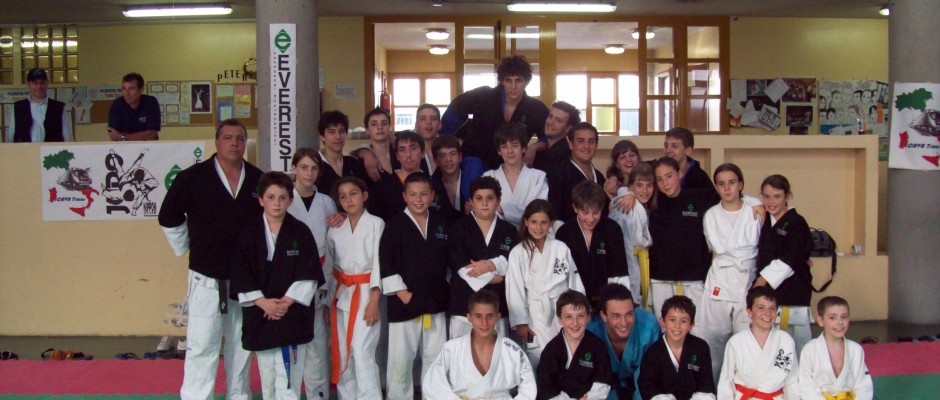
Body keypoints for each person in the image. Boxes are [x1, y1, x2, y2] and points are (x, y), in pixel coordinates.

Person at [158, 119, 262, 400]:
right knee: (202, 343)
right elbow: (168, 215)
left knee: (241, 344)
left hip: (245, 276)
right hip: (206, 274)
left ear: (245, 143)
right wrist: (187, 246)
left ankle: (238, 395)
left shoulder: (257, 179)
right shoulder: (193, 177)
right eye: (228, 138)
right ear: (216, 142)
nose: (234, 143)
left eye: (240, 138)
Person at [232, 171, 323, 400]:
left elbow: (309, 270)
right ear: (261, 200)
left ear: (290, 200)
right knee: (268, 376)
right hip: (261, 312)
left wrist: (285, 303)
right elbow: (241, 272)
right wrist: (263, 303)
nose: (276, 203)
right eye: (271, 197)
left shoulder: (300, 231)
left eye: (282, 198)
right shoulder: (248, 233)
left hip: (292, 313)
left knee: (289, 378)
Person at [380, 173, 450, 400]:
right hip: (405, 301)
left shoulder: (440, 223)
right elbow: (386, 261)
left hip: (434, 300)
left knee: (435, 357)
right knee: (401, 360)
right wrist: (403, 294)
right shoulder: (394, 224)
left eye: (423, 194)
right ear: (404, 196)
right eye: (412, 194)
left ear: (432, 195)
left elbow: (448, 259)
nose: (418, 199)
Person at [442, 55, 550, 200]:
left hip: (510, 162)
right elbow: (454, 111)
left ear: (526, 81)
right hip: (477, 157)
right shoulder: (483, 96)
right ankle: (470, 209)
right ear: (502, 80)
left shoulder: (536, 108)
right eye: (508, 80)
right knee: (473, 177)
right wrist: (445, 140)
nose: (513, 86)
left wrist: (535, 147)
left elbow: (549, 136)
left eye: (518, 80)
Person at [698, 163, 762, 381]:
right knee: (714, 339)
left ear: (741, 184)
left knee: (746, 339)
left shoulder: (755, 212)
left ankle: (745, 387)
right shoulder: (711, 215)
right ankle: (712, 386)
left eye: (732, 182)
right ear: (716, 187)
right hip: (720, 279)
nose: (726, 188)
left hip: (746, 279)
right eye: (721, 184)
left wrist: (754, 202)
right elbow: (715, 247)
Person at [506, 199, 586, 368]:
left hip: (562, 309)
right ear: (526, 222)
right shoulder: (517, 253)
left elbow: (573, 280)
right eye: (534, 222)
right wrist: (521, 323)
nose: (538, 227)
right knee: (536, 354)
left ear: (550, 223)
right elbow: (515, 290)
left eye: (543, 222)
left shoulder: (560, 248)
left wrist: (579, 311)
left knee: (566, 352)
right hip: (534, 314)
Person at [286, 149, 338, 400]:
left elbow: (332, 245)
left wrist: (327, 287)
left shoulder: (327, 202)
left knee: (318, 347)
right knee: (289, 347)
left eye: (314, 168)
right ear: (294, 168)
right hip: (288, 281)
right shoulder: (284, 199)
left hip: (319, 280)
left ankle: (318, 395)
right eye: (304, 167)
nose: (309, 173)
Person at [327, 177, 384, 399]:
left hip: (366, 294)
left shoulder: (376, 224)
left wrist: (374, 300)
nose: (348, 200)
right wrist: (328, 302)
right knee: (343, 352)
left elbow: (379, 263)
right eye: (343, 197)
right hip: (341, 294)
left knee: (362, 351)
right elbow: (331, 268)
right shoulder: (335, 229)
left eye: (353, 194)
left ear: (364, 195)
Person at [422, 289, 537, 399]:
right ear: (469, 318)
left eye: (490, 316)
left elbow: (529, 387)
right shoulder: (452, 348)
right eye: (478, 316)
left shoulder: (512, 350)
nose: (484, 323)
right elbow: (432, 384)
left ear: (497, 317)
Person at [447, 176, 519, 339]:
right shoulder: (459, 227)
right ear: (471, 201)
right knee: (461, 352)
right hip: (463, 305)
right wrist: (491, 277)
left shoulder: (509, 230)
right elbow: (458, 263)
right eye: (479, 198)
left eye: (490, 198)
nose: (485, 203)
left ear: (498, 200)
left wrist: (490, 264)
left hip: (498, 306)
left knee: (497, 352)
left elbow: (513, 263)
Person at [753, 174, 814, 354]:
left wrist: (762, 280)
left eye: (777, 196)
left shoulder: (796, 222)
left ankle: (804, 372)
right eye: (766, 196)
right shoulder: (765, 220)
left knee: (798, 345)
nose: (771, 202)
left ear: (788, 196)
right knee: (772, 345)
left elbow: (790, 257)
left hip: (794, 292)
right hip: (772, 293)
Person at [556, 181, 631, 313]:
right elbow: (561, 276)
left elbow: (619, 273)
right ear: (575, 208)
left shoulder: (612, 229)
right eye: (585, 212)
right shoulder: (564, 233)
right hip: (574, 304)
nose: (590, 218)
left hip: (607, 303)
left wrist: (616, 307)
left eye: (596, 212)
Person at [717, 286, 799, 400]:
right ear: (749, 312)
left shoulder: (786, 340)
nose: (767, 313)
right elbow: (726, 382)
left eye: (772, 308)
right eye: (761, 308)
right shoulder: (736, 342)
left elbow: (792, 381)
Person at [587, 284, 661, 400]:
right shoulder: (590, 330)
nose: (624, 323)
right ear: (604, 315)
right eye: (616, 316)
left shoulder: (649, 326)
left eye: (629, 314)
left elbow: (651, 374)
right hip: (603, 386)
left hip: (643, 384)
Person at [537, 290, 612, 400]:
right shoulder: (551, 350)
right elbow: (546, 387)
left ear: (588, 317)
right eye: (568, 317)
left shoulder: (598, 346)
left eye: (580, 316)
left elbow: (603, 380)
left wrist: (589, 398)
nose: (575, 323)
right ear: (560, 319)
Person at [637, 295, 716, 400]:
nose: (677, 326)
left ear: (691, 325)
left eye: (683, 321)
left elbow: (706, 386)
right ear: (663, 321)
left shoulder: (700, 348)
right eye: (672, 320)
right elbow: (648, 388)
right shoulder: (653, 353)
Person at [798, 296, 873, 400]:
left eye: (844, 317)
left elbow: (864, 385)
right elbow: (806, 385)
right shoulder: (810, 350)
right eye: (832, 318)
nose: (840, 322)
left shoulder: (856, 350)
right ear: (820, 320)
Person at [482, 122, 549, 229]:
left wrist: (503, 209)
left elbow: (537, 212)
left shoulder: (538, 177)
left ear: (524, 148)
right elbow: (483, 211)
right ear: (499, 151)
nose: (510, 151)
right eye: (504, 147)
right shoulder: (488, 177)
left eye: (514, 145)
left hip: (530, 235)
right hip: (497, 236)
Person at [609, 163, 655, 309]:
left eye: (649, 185)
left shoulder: (642, 207)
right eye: (639, 185)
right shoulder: (625, 207)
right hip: (626, 268)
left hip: (640, 265)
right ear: (630, 186)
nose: (645, 191)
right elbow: (623, 248)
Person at [547, 122, 606, 222]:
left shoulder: (599, 177)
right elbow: (555, 212)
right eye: (581, 141)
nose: (586, 146)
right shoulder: (558, 174)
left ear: (596, 145)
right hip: (567, 230)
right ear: (571, 145)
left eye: (591, 141)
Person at [367, 131, 425, 221]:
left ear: (423, 153)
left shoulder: (434, 184)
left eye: (413, 148)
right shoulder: (383, 186)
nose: (408, 155)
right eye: (402, 150)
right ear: (397, 156)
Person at [8, 68, 72, 143]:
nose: (39, 86)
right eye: (35, 83)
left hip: (52, 149)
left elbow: (67, 134)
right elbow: (11, 133)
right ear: (29, 84)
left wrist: (70, 148)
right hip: (25, 149)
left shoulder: (59, 107)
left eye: (42, 83)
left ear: (47, 84)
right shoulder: (18, 107)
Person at [316, 111, 364, 199]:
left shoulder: (353, 163)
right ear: (322, 136)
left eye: (341, 131)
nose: (338, 136)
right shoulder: (314, 166)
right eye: (331, 132)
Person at [108, 72, 160, 141]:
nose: (127, 93)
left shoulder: (150, 102)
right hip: (124, 147)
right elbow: (113, 136)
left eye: (131, 89)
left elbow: (151, 135)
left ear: (141, 90)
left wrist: (123, 137)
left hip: (148, 146)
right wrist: (142, 135)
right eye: (124, 89)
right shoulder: (117, 104)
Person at [532, 101, 580, 173]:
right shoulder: (542, 150)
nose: (550, 122)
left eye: (558, 120)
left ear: (568, 128)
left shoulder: (562, 157)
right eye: (550, 116)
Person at [663, 127, 714, 194]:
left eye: (674, 146)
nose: (668, 150)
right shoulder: (658, 172)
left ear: (688, 150)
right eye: (666, 146)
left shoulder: (700, 178)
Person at [430, 134, 466, 226]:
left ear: (460, 156)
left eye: (453, 154)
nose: (448, 159)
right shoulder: (430, 186)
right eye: (442, 155)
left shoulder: (471, 180)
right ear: (435, 160)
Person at [415, 103, 441, 174]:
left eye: (433, 119)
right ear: (416, 125)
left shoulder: (448, 149)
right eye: (423, 119)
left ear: (440, 125)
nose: (428, 122)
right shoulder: (410, 152)